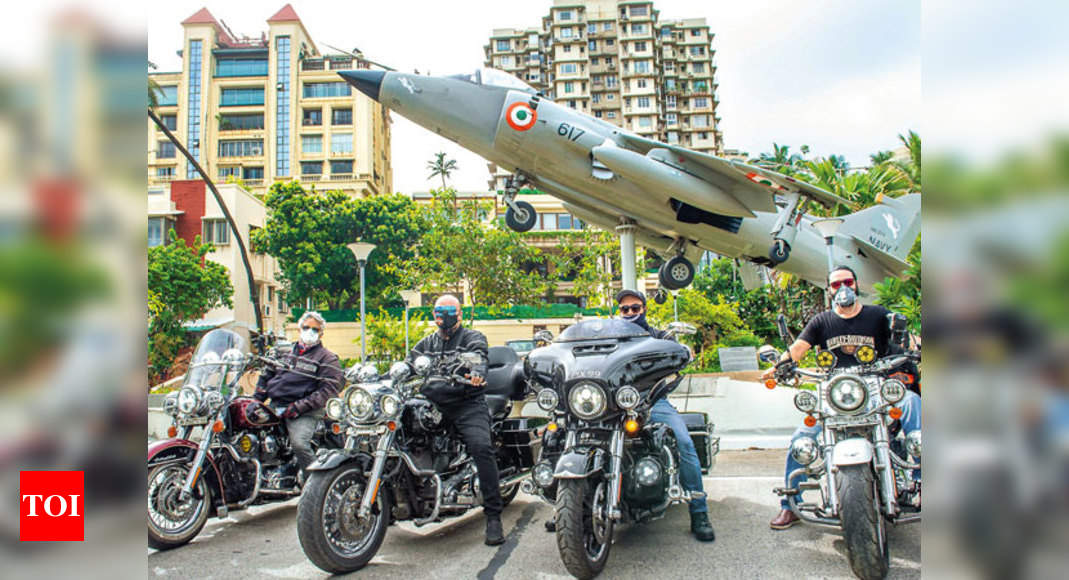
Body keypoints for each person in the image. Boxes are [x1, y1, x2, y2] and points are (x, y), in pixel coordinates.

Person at [763, 265, 922, 530]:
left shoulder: (878, 315)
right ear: (829, 290)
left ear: (856, 285)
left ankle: (921, 481)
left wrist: (919, 346)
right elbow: (798, 349)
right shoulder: (821, 322)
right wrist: (778, 365)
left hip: (876, 389)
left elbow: (906, 340)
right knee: (801, 439)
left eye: (847, 282)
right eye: (836, 284)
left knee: (912, 403)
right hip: (834, 392)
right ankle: (790, 506)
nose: (842, 288)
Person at [560, 289, 717, 541]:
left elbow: (678, 350)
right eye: (625, 309)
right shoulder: (609, 339)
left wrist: (684, 352)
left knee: (684, 441)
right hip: (609, 406)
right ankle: (566, 510)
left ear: (644, 309)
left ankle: (699, 511)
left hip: (652, 402)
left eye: (635, 308)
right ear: (618, 312)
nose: (630, 313)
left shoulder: (656, 335)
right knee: (563, 436)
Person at [406, 294, 506, 546]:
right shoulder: (426, 343)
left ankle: (493, 516)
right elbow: (408, 365)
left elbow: (479, 359)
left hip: (466, 404)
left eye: (451, 310)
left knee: (481, 447)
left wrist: (476, 373)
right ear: (434, 314)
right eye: (440, 310)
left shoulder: (473, 337)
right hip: (431, 405)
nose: (445, 315)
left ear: (460, 313)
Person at [253, 311, 343, 478]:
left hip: (305, 412)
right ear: (299, 329)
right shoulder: (282, 351)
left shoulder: (328, 358)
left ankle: (314, 485)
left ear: (321, 333)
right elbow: (265, 377)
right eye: (306, 327)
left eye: (315, 329)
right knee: (248, 433)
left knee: (299, 444)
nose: (310, 332)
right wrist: (255, 401)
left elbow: (327, 391)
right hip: (274, 406)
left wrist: (298, 407)